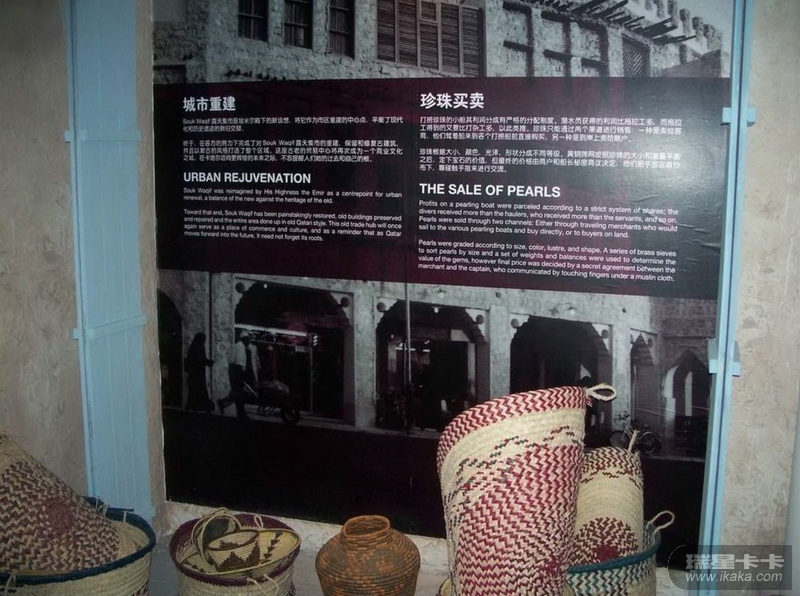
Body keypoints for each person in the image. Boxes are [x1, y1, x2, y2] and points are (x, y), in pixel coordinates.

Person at [217, 330, 259, 419]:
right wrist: (241, 376)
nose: (249, 342)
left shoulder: (238, 346)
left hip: (234, 371)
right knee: (239, 393)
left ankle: (240, 413)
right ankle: (223, 402)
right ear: (244, 339)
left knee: (238, 393)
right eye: (248, 340)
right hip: (236, 371)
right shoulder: (241, 347)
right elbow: (239, 363)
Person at [185, 332, 214, 412]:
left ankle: (191, 406)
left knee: (193, 391)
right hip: (198, 373)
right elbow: (200, 359)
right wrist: (208, 362)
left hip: (193, 372)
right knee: (199, 389)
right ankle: (205, 407)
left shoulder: (193, 346)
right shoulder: (199, 347)